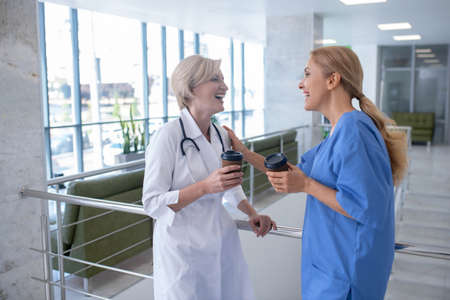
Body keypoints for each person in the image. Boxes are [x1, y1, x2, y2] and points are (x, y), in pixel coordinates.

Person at [224, 46, 408, 300]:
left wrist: (307, 186)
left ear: (332, 80)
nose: (301, 84)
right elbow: (293, 173)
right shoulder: (338, 131)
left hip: (346, 276)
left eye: (308, 74)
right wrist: (243, 151)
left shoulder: (354, 130)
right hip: (329, 270)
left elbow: (366, 206)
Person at [142, 55, 277, 300]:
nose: (225, 86)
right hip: (183, 250)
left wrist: (251, 213)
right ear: (191, 88)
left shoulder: (221, 134)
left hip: (222, 241)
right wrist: (204, 187)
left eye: (223, 79)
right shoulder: (168, 136)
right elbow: (152, 202)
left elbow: (230, 186)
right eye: (216, 79)